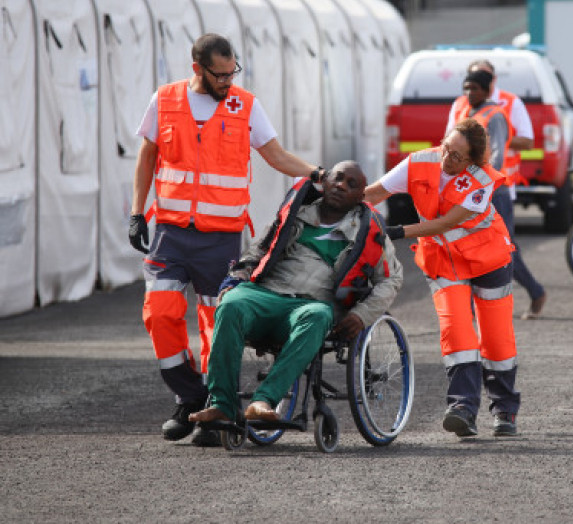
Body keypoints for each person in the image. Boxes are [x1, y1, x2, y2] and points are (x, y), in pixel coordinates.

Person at [128, 33, 323, 446]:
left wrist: (315, 173)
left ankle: (212, 410)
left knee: (216, 326)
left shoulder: (245, 105)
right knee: (159, 314)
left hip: (222, 239)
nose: (227, 82)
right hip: (171, 233)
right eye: (219, 75)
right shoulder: (164, 100)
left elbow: (276, 155)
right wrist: (135, 212)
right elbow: (147, 155)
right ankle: (190, 395)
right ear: (196, 68)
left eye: (232, 72)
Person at [189, 161, 402, 424]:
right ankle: (222, 403)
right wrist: (235, 281)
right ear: (324, 183)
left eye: (351, 184)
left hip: (312, 305)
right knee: (230, 303)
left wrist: (361, 314)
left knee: (318, 315)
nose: (340, 186)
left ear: (361, 197)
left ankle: (263, 400)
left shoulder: (370, 231)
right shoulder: (293, 214)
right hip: (267, 294)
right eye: (337, 178)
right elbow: (257, 251)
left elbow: (391, 280)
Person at [365, 118, 520, 438]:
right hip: (442, 261)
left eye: (456, 157)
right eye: (445, 149)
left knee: (497, 337)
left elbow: (444, 223)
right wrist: (338, 199)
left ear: (474, 161)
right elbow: (373, 193)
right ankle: (462, 408)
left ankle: (504, 408)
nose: (446, 160)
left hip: (487, 258)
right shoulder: (420, 162)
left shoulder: (482, 178)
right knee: (457, 330)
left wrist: (396, 231)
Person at [446, 62, 547, 320]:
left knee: (503, 248)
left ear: (489, 85)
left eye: (476, 87)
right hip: (470, 191)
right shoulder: (464, 107)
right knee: (471, 246)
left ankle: (533, 292)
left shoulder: (499, 111)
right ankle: (474, 306)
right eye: (466, 86)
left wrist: (482, 182)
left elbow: (500, 154)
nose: (470, 92)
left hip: (495, 190)